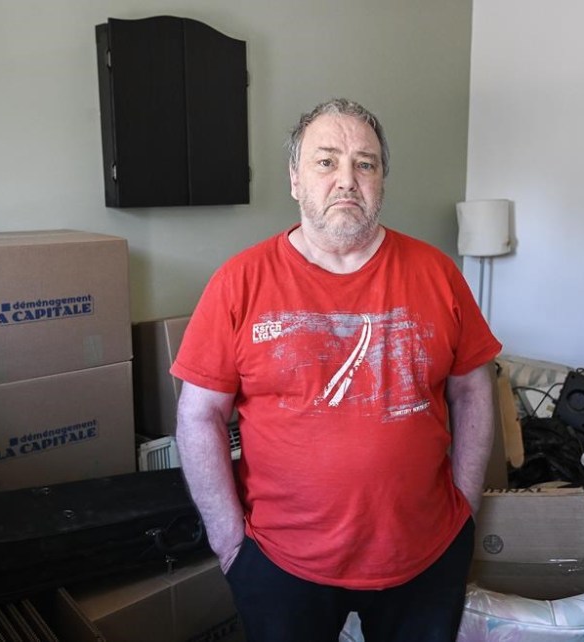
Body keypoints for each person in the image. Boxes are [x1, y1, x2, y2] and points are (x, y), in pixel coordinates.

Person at [171, 98, 502, 642]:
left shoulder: (438, 274)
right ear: (295, 179)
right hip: (280, 562)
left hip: (426, 555)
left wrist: (465, 508)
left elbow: (472, 391)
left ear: (381, 180)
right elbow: (198, 415)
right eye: (326, 161)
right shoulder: (239, 282)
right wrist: (228, 542)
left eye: (364, 163)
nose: (347, 179)